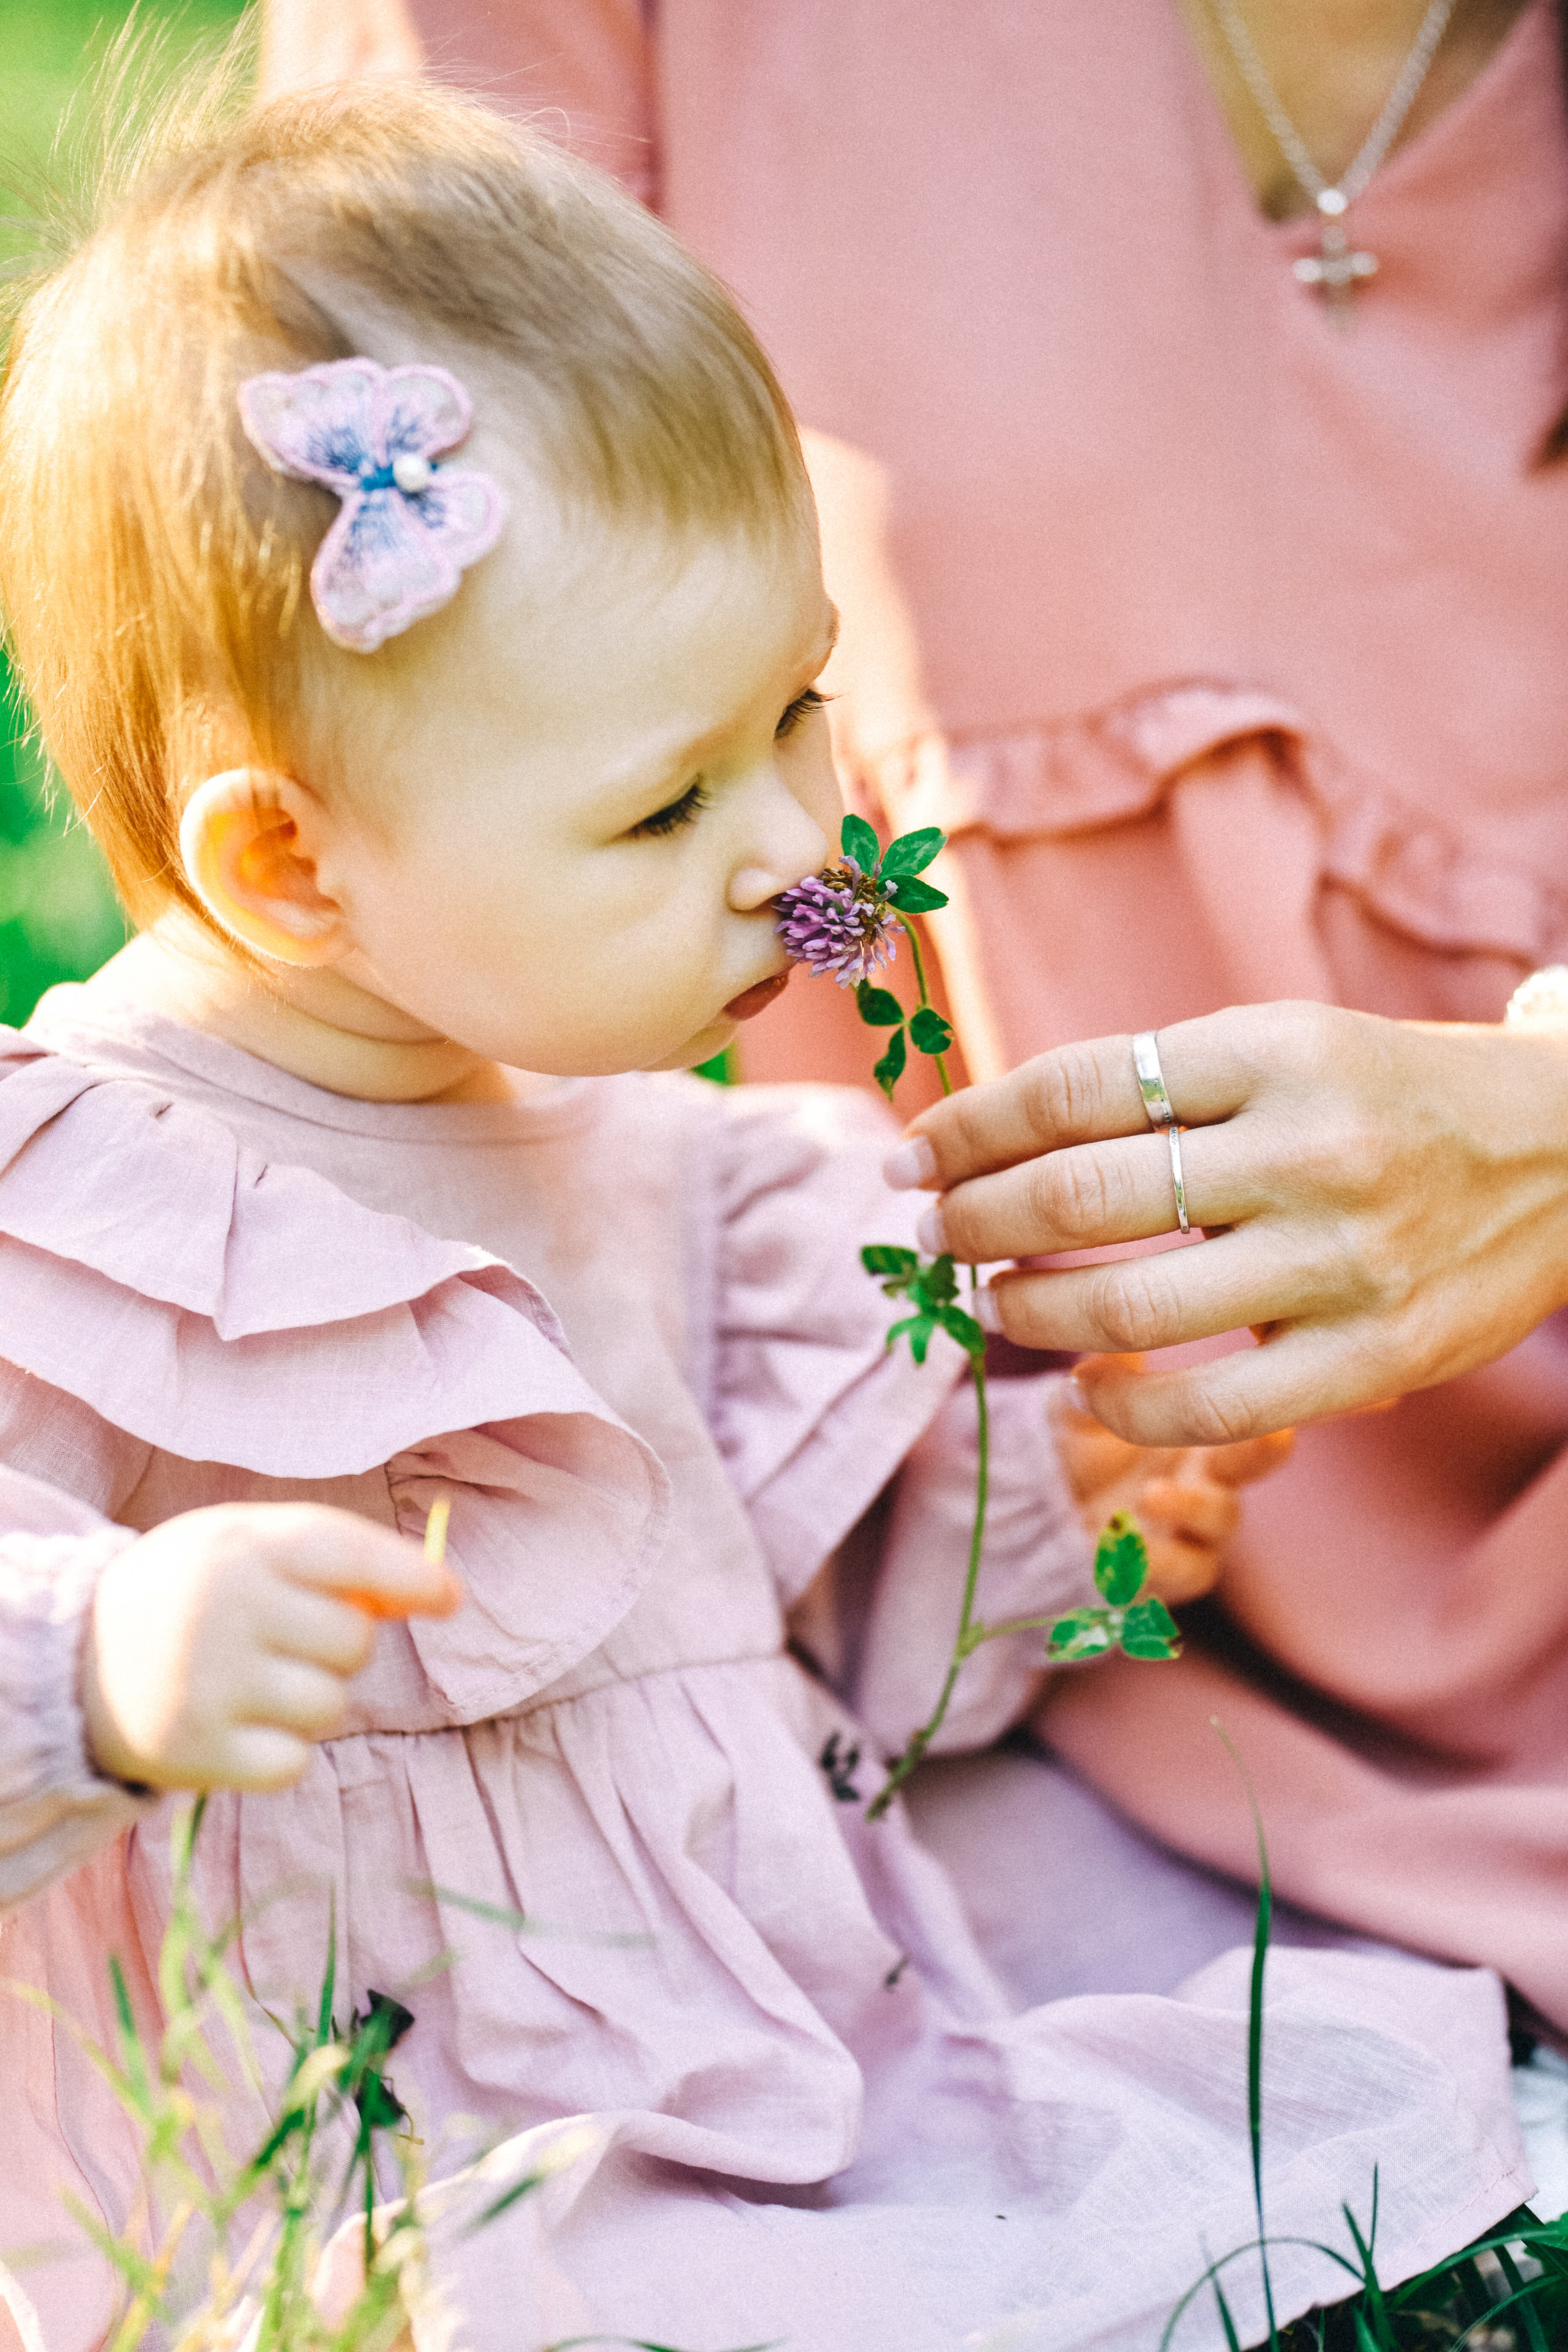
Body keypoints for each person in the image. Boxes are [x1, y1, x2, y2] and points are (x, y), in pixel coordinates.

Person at [0, 67, 1510, 2352]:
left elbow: (742, 1685)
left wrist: (1043, 1505)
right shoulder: (94, 1213)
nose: (800, 846)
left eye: (799, 712)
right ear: (292, 866)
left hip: (737, 2076)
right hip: (344, 2135)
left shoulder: (666, 1178)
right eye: (663, 802)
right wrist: (98, 1663)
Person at [251, 0, 1568, 2044]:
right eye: (704, 780)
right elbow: (361, 746)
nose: (778, 833)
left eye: (802, 730)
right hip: (898, 1593)